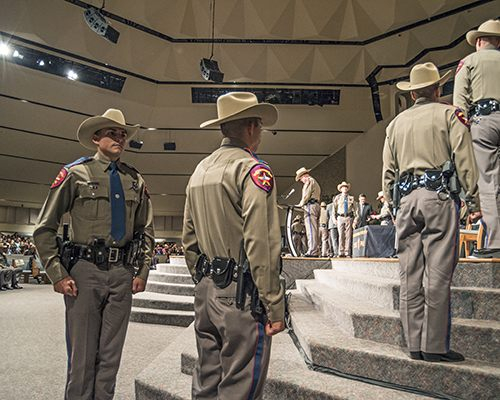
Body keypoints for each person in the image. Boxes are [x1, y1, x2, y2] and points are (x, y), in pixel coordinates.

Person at [33, 109, 154, 399]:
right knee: (82, 359)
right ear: (96, 137)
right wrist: (57, 274)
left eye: (123, 134)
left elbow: (145, 229)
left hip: (121, 274)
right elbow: (44, 228)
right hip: (84, 272)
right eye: (113, 132)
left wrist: (142, 270)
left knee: (110, 359)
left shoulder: (134, 179)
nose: (120, 138)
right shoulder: (76, 173)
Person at [183, 92, 285, 399]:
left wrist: (203, 281)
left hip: (206, 291)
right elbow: (261, 242)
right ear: (252, 128)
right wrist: (273, 304)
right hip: (241, 296)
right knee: (240, 385)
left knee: (207, 379)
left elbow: (188, 238)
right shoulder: (253, 170)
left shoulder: (200, 170)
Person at [383, 62, 480, 362]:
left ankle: (413, 344)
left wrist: (393, 202)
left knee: (409, 275)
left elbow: (388, 172)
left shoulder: (395, 124)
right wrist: (474, 202)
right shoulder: (449, 114)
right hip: (438, 197)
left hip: (405, 202)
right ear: (438, 89)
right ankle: (434, 346)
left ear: (413, 95)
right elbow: (465, 160)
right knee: (437, 275)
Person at [453, 19, 500, 257]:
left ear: (479, 41)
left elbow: (459, 105)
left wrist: (465, 129)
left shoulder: (469, 61)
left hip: (484, 120)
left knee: (489, 183)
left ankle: (496, 242)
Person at [296, 167, 321, 257]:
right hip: (315, 205)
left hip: (310, 206)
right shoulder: (314, 181)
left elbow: (306, 195)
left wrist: (300, 204)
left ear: (303, 176)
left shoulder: (309, 181)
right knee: (314, 229)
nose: (301, 181)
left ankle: (312, 251)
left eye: (300, 179)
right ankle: (315, 250)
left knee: (311, 229)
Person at [332, 181, 357, 257]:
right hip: (340, 217)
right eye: (343, 187)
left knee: (348, 235)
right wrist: (334, 219)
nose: (345, 188)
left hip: (348, 217)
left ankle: (347, 251)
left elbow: (356, 210)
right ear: (341, 189)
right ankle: (341, 251)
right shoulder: (337, 198)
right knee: (341, 235)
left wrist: (355, 220)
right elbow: (334, 210)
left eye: (346, 187)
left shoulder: (351, 198)